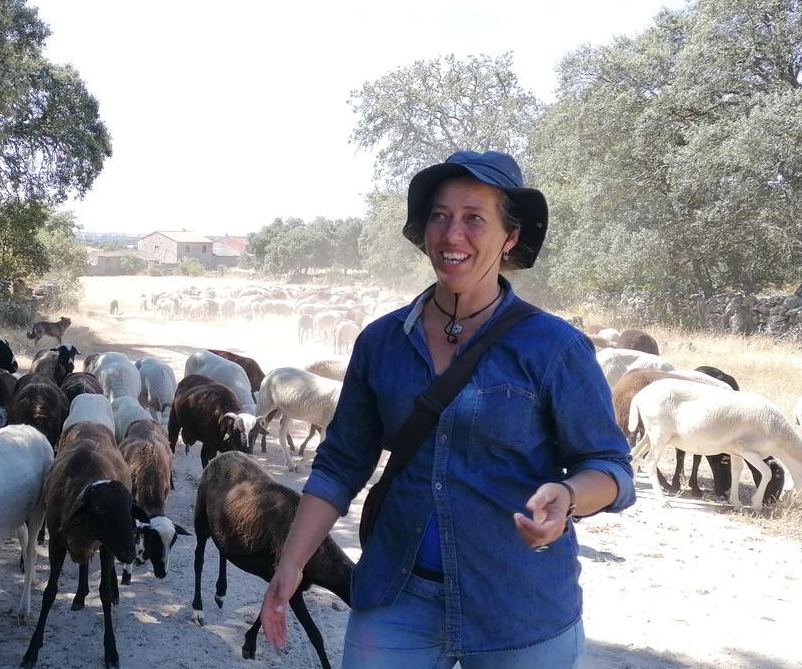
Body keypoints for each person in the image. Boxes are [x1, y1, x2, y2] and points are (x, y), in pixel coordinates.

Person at [258, 150, 635, 668]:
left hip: (518, 606)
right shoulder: (382, 342)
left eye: (474, 218)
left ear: (510, 238)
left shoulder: (555, 348)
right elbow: (341, 461)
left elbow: (611, 467)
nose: (451, 233)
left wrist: (567, 496)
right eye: (440, 215)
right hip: (396, 595)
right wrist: (292, 561)